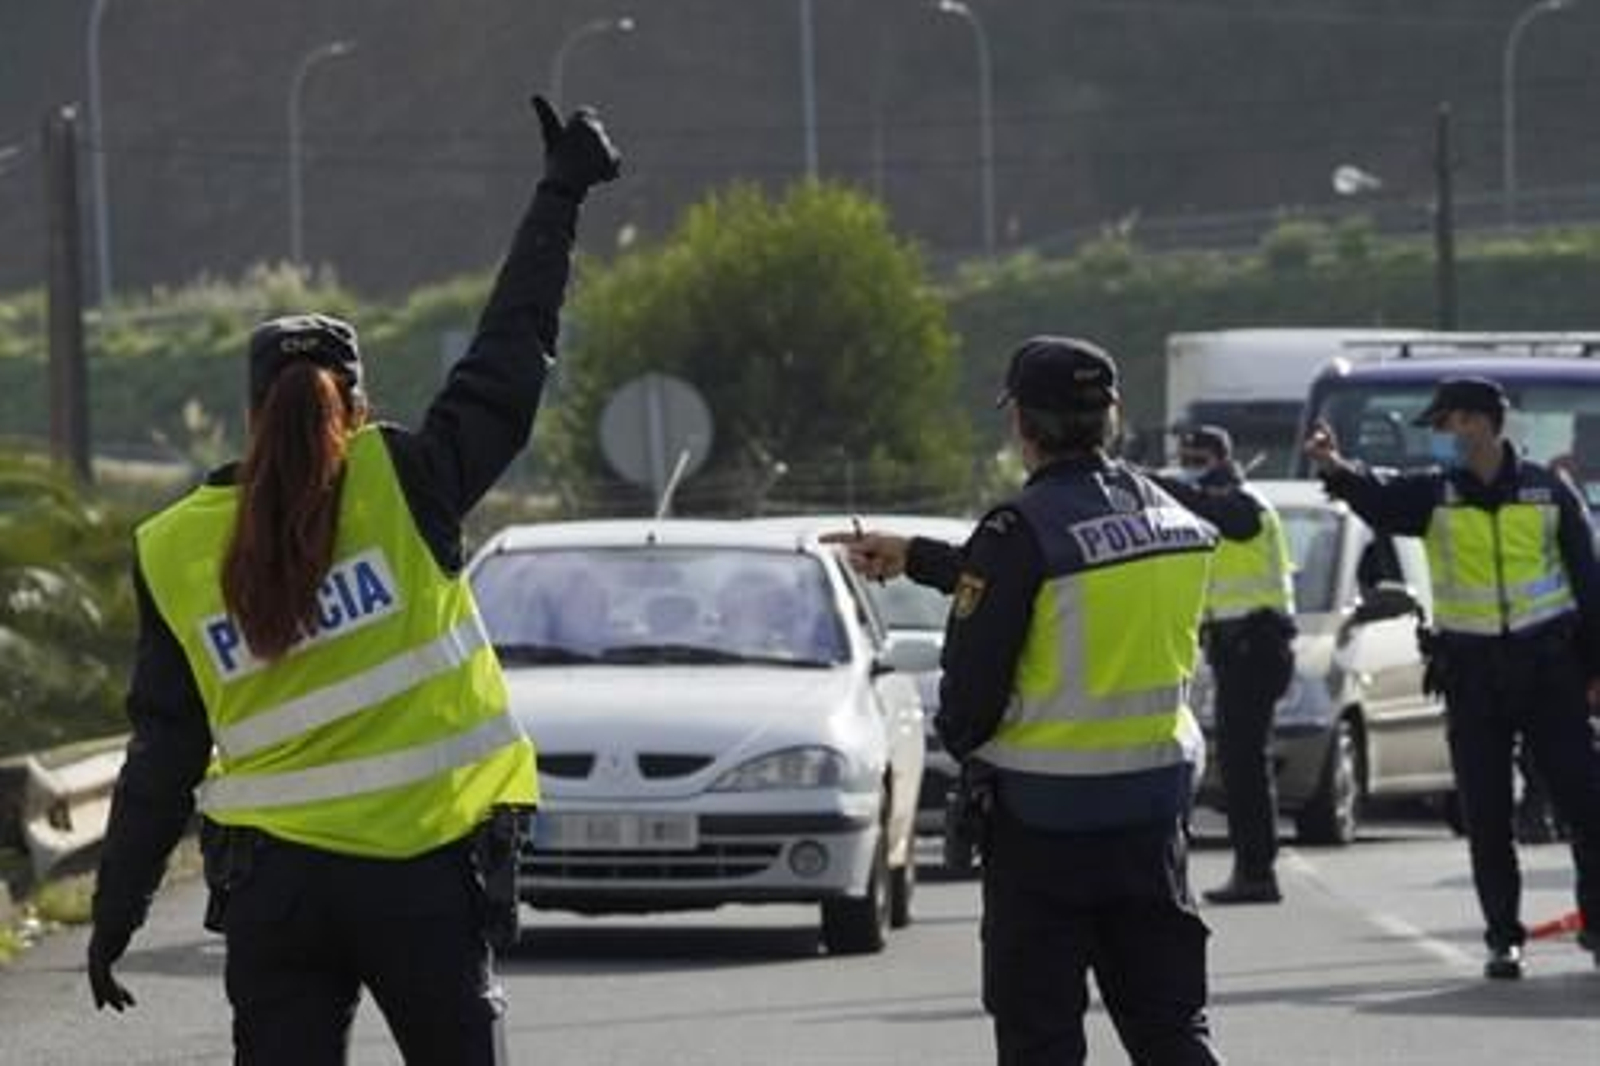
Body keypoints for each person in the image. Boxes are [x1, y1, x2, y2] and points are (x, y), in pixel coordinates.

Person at [84, 95, 621, 1061]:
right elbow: (508, 359)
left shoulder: (170, 546)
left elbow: (162, 753)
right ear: (359, 405)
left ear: (250, 413)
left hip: (274, 894)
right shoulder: (409, 480)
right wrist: (559, 195)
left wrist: (115, 913)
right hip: (420, 878)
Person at [828, 336, 1223, 1065]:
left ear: (1021, 425)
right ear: (1112, 417)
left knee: (1040, 1037)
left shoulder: (1018, 530)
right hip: (1149, 816)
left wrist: (963, 738)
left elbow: (970, 698)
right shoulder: (1169, 519)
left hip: (1044, 827)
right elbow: (1067, 585)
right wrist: (919, 555)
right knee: (1170, 1029)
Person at [1305, 376, 1600, 980]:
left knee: (1586, 807)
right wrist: (1334, 466)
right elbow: (1378, 498)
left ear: (1486, 422)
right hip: (1473, 675)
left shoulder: (1549, 490)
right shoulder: (1435, 495)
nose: (1445, 438)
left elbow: (1589, 583)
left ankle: (1596, 925)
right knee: (1487, 814)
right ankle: (1503, 938)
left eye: (1452, 424)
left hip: (1550, 670)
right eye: (1440, 428)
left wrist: (1595, 672)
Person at [1149, 425, 1296, 905]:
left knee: (1245, 765)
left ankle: (1257, 872)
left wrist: (1156, 482)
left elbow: (1224, 516)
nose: (1189, 462)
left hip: (1256, 646)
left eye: (1197, 457)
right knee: (1241, 764)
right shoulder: (1221, 501)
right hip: (1240, 650)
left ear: (1218, 458)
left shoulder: (1245, 504)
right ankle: (1254, 869)